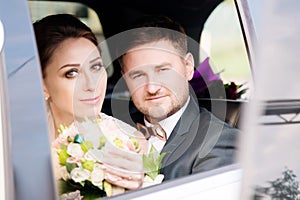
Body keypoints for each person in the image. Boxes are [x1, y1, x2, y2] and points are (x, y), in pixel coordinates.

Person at [117, 15, 240, 181]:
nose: (152, 88)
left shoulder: (219, 142)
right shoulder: (115, 131)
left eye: (163, 70)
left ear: (188, 67)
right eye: (138, 75)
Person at [33, 14, 146, 192]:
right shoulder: (18, 153)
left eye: (95, 67)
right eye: (72, 73)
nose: (91, 85)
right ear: (43, 85)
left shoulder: (133, 142)